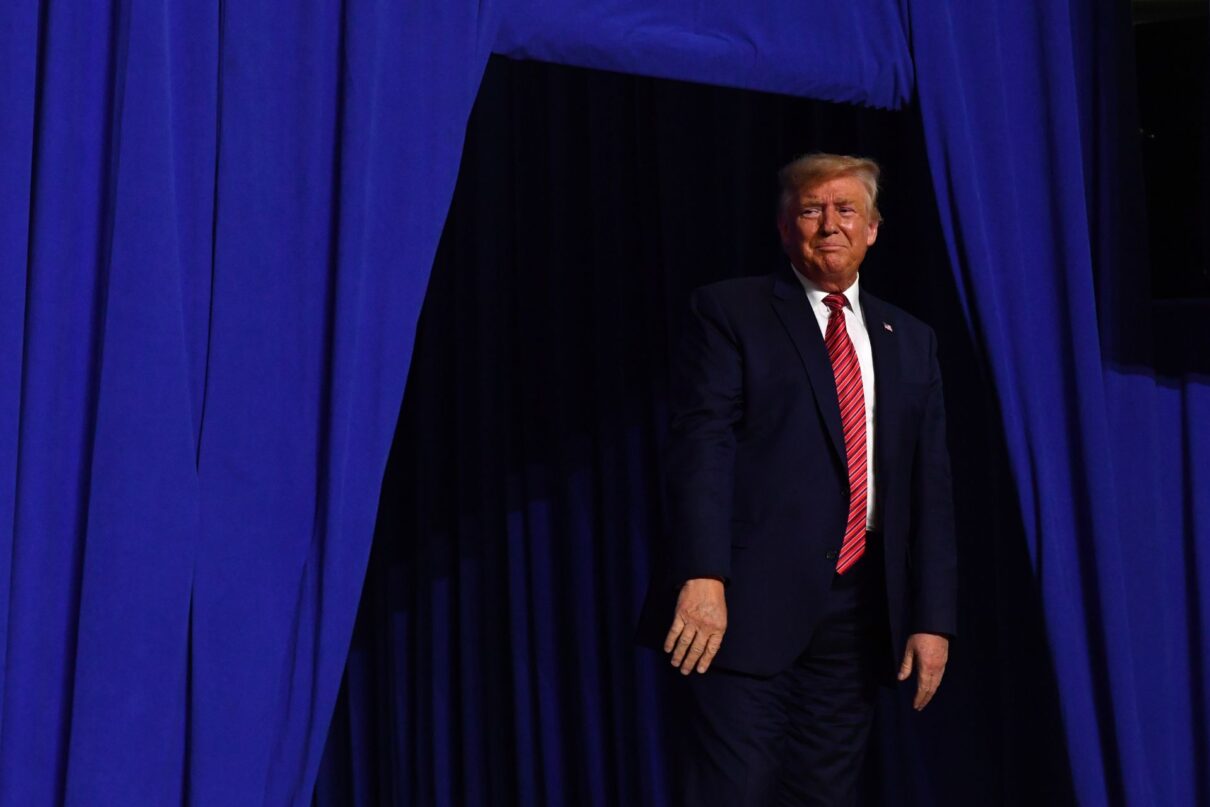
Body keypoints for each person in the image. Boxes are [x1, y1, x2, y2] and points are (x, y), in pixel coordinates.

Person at [636, 153, 957, 806]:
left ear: (873, 229)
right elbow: (702, 448)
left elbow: (932, 489)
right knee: (734, 791)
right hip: (741, 607)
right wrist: (703, 573)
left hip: (861, 614)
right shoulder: (731, 312)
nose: (829, 225)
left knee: (826, 795)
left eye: (847, 210)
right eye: (811, 209)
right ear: (786, 228)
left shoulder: (911, 339)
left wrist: (933, 616)